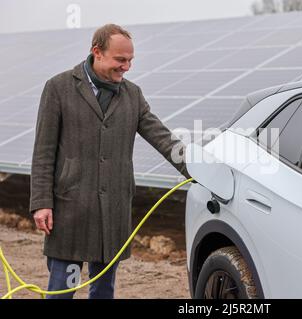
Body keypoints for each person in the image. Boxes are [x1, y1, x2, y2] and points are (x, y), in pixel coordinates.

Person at [30, 24, 190, 299]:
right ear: (97, 52)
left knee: (104, 289)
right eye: (120, 60)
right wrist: (41, 202)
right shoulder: (59, 88)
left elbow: (163, 139)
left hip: (112, 211)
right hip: (71, 210)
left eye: (130, 61)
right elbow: (43, 151)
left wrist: (199, 168)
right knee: (63, 290)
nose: (126, 67)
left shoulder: (133, 95)